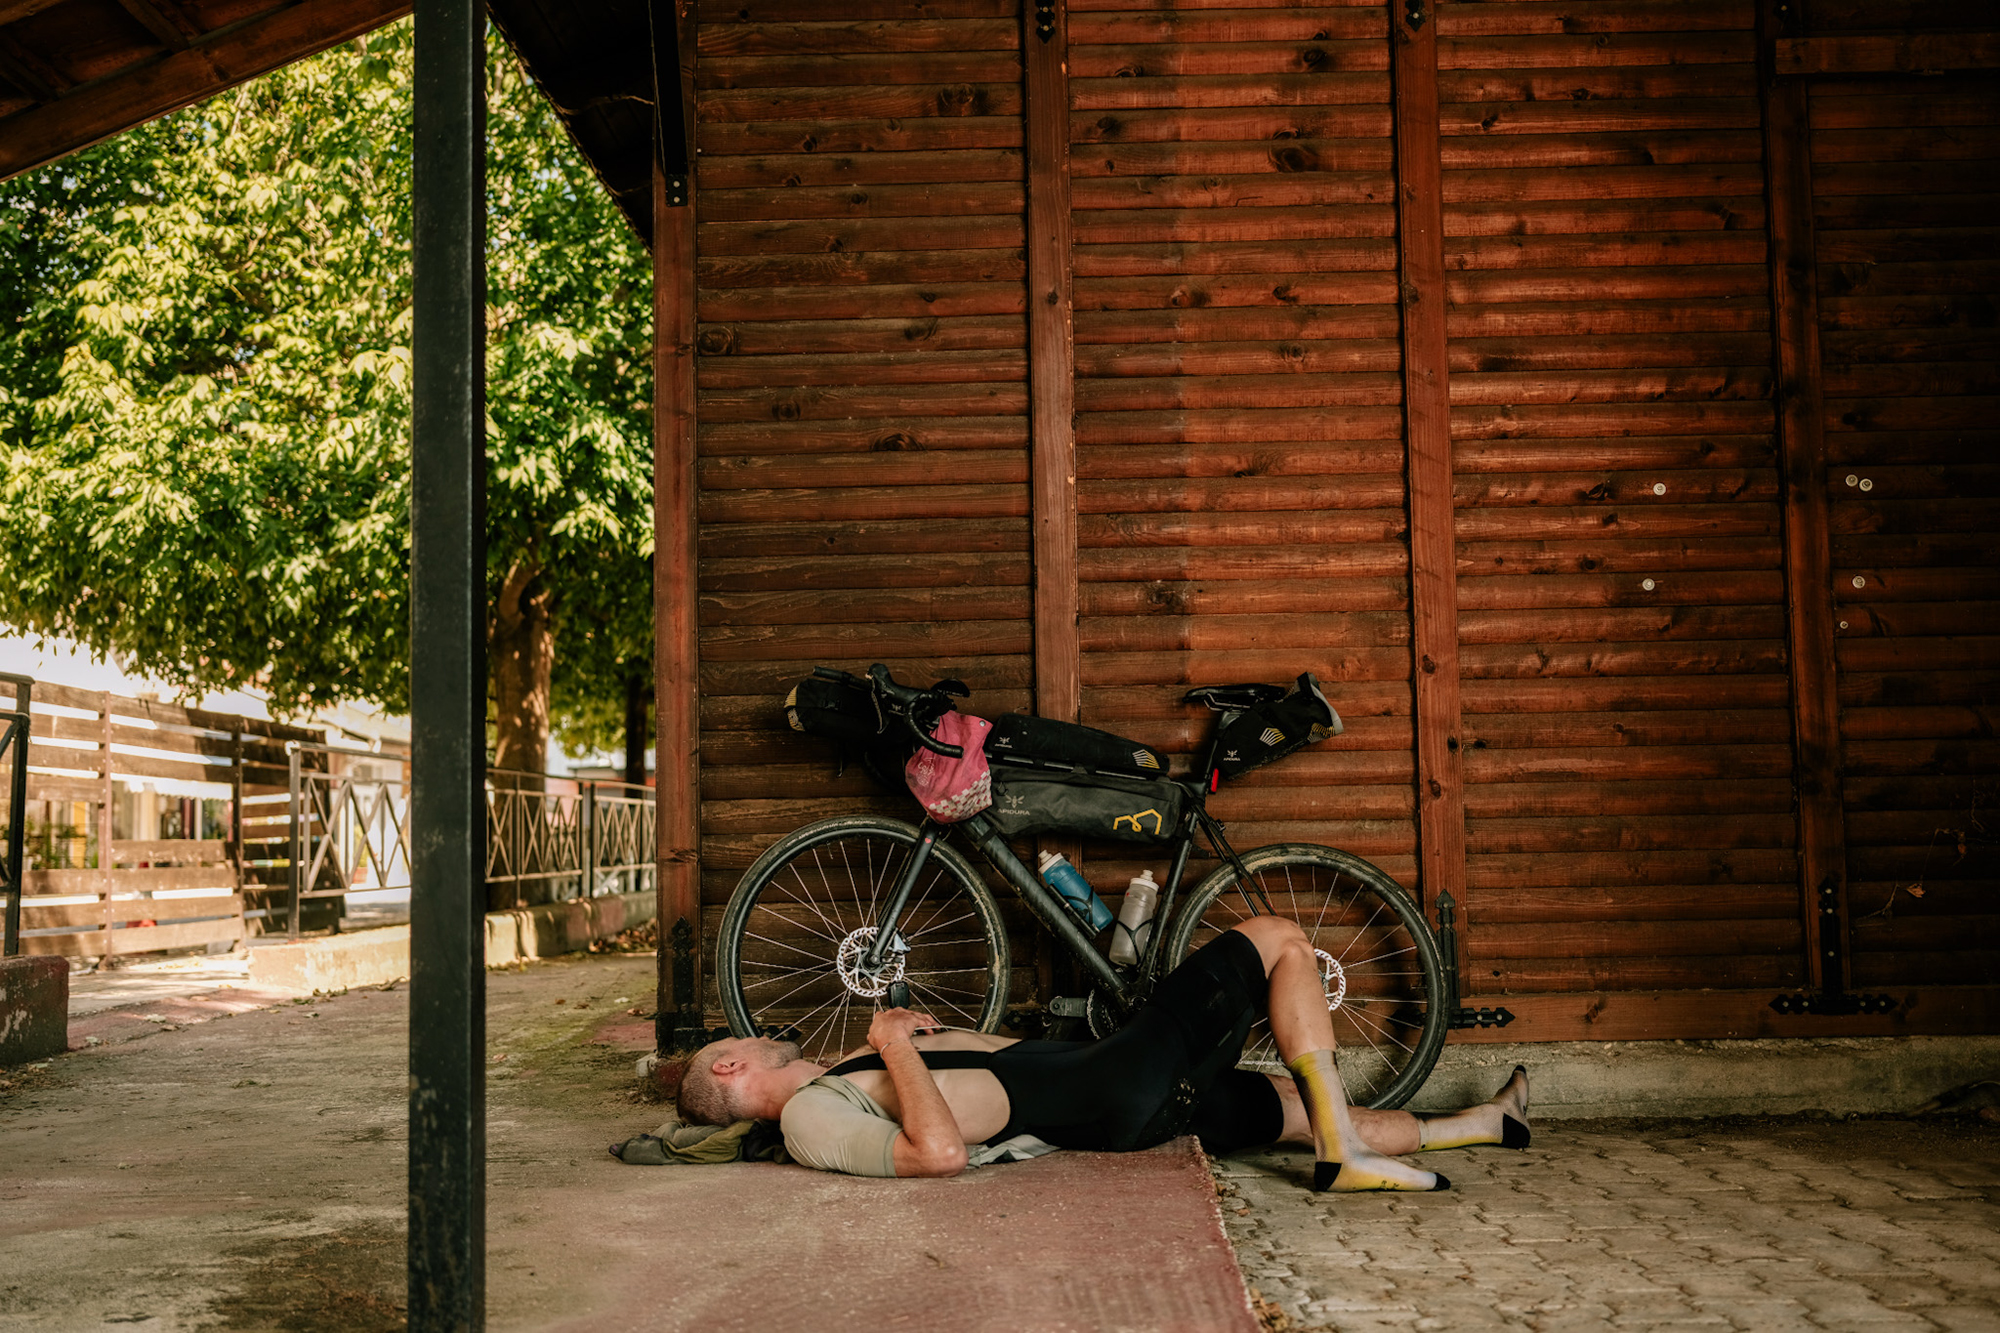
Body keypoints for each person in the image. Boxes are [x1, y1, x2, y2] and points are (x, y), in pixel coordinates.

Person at [677, 917, 1532, 1189]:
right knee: (1276, 937)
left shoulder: (836, 1080)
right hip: (1119, 1086)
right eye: (740, 1041)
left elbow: (1011, 1064)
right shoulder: (803, 1114)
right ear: (729, 1068)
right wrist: (896, 1043)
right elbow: (934, 1154)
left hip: (1128, 1094)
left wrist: (920, 1044)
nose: (759, 1035)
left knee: (1300, 1108)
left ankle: (1483, 1121)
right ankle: (1344, 1155)